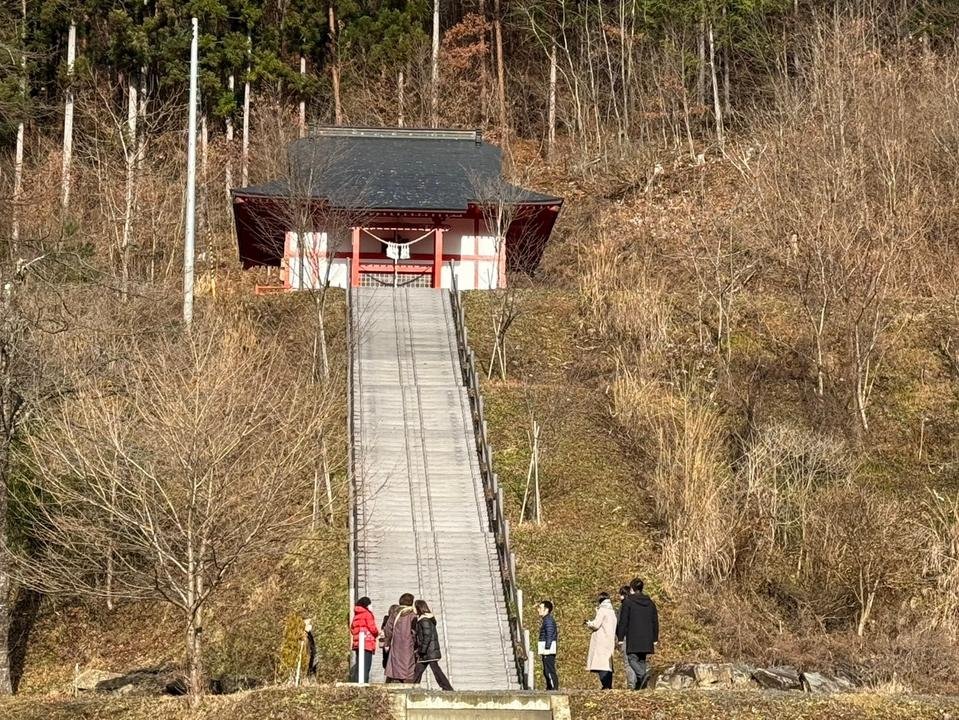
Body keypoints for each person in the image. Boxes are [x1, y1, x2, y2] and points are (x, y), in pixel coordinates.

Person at [615, 577, 659, 689]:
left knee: (631, 658)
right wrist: (655, 638)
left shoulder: (628, 602)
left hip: (633, 636)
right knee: (642, 659)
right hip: (647, 637)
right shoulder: (650, 602)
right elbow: (655, 621)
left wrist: (620, 638)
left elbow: (624, 621)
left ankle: (643, 676)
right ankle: (641, 686)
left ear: (632, 589)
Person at [412, 599, 454, 690]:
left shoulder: (424, 620)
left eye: (414, 607)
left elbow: (427, 636)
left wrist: (422, 650)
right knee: (419, 669)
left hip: (429, 651)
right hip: (428, 651)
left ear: (419, 608)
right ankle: (413, 687)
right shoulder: (424, 619)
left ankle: (447, 688)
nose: (413, 610)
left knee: (435, 670)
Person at [585, 592, 617, 690]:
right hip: (609, 639)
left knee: (601, 664)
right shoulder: (612, 611)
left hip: (601, 640)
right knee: (608, 664)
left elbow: (596, 624)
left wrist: (588, 623)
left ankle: (605, 685)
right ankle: (608, 685)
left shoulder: (602, 610)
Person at [384, 593, 418, 683]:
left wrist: (388, 640)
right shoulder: (412, 615)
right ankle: (407, 681)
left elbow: (388, 628)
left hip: (396, 644)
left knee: (395, 663)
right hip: (409, 645)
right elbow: (415, 631)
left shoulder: (395, 614)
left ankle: (394, 679)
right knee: (408, 665)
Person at [349, 597, 379, 683]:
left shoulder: (356, 615)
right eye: (370, 604)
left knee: (359, 665)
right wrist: (377, 633)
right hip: (367, 643)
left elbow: (352, 628)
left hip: (358, 644)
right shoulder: (367, 614)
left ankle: (356, 682)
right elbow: (372, 628)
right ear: (367, 605)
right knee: (366, 666)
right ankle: (364, 683)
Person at [617, 585, 637, 689]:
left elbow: (621, 623)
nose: (619, 597)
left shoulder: (624, 606)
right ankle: (637, 683)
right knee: (636, 661)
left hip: (625, 637)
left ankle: (631, 684)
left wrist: (619, 638)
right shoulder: (636, 605)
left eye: (620, 594)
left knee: (627, 662)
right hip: (636, 637)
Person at [537, 600, 559, 690]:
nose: (538, 610)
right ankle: (550, 687)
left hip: (548, 648)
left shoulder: (548, 620)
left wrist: (547, 647)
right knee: (547, 669)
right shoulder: (546, 620)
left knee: (549, 669)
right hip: (547, 647)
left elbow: (549, 634)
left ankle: (553, 688)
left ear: (546, 610)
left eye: (540, 608)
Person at [380, 603, 399, 670]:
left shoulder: (386, 619)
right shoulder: (398, 620)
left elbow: (382, 630)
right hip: (393, 644)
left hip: (387, 644)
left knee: (387, 663)